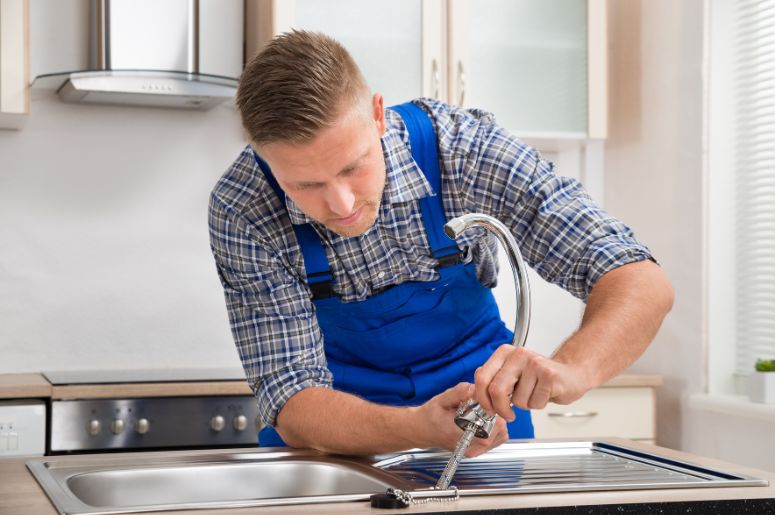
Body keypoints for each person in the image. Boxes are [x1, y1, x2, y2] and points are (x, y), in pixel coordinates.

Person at [208, 30, 674, 457]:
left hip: (485, 419)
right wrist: (416, 427)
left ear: (377, 114)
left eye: (353, 166)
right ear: (266, 159)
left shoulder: (465, 151)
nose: (341, 203)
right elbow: (292, 398)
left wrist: (574, 370)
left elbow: (638, 278)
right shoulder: (243, 208)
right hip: (332, 440)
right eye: (305, 185)